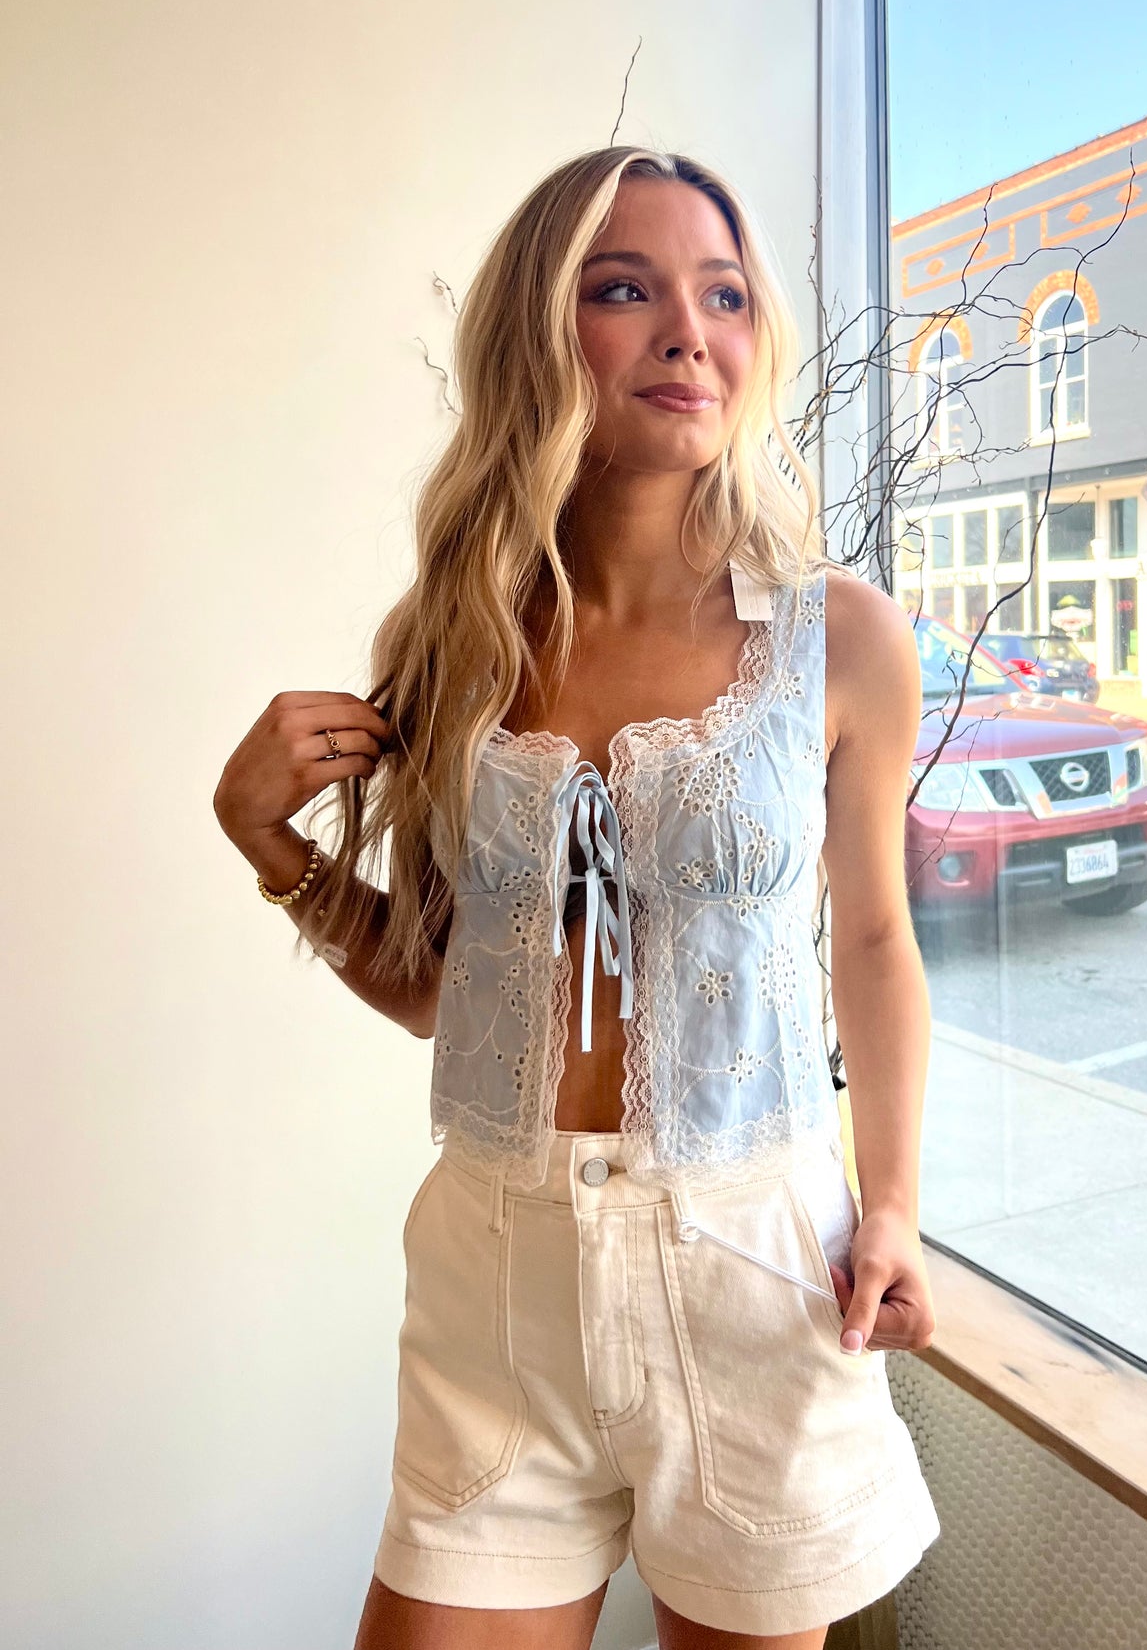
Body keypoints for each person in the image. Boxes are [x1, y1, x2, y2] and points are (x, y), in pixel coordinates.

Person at [213, 147, 941, 1650]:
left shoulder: (838, 636)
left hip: (754, 1264)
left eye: (723, 295)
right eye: (625, 289)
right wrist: (267, 842)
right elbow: (431, 984)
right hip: (499, 1276)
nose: (689, 332)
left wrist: (896, 1208)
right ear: (542, 338)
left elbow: (872, 939)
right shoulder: (451, 634)